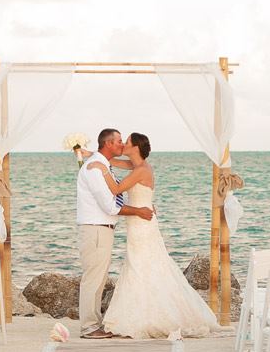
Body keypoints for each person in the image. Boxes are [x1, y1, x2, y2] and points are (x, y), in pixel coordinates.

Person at [85, 132, 221, 339]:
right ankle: (144, 311)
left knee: (141, 266)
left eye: (127, 142)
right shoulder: (137, 166)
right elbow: (117, 162)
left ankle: (149, 316)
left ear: (135, 147)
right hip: (140, 222)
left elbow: (116, 189)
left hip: (142, 224)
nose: (123, 145)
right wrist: (93, 155)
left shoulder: (141, 170)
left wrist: (101, 170)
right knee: (143, 265)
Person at [76, 128, 154, 339]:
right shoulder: (95, 169)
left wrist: (93, 158)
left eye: (125, 141)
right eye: (119, 141)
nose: (122, 145)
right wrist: (139, 210)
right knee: (93, 278)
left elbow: (124, 174)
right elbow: (110, 206)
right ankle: (89, 327)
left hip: (104, 229)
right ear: (109, 144)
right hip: (96, 229)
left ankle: (94, 323)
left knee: (99, 277)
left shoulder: (104, 166)